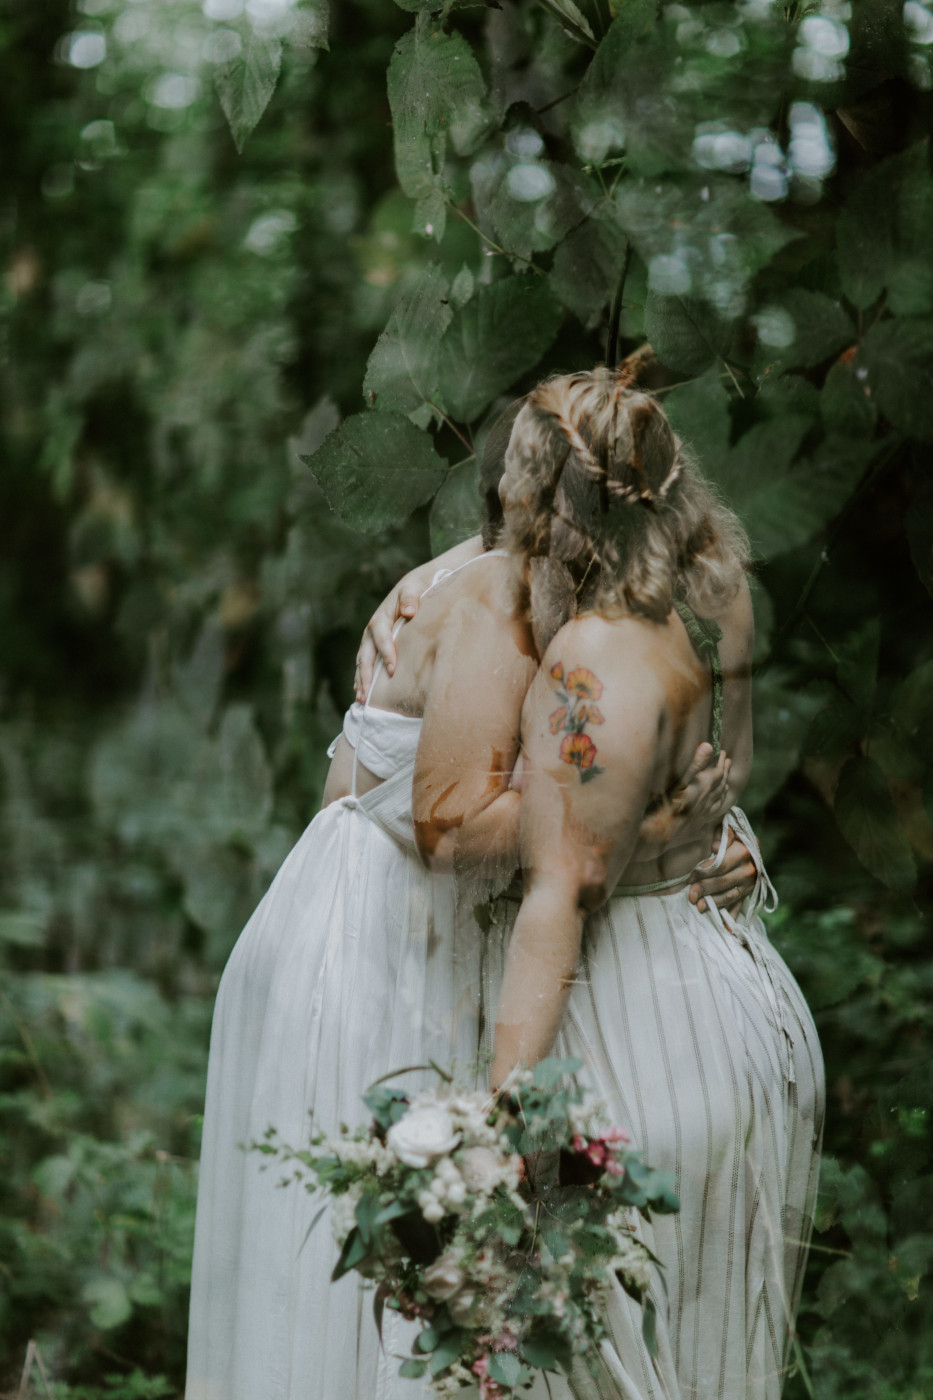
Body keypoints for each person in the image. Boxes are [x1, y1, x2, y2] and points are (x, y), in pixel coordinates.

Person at [184, 379, 757, 1400]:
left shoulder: (645, 610)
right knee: (343, 1289)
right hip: (371, 936)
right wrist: (659, 833)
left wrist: (712, 832)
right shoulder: (498, 602)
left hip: (451, 939)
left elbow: (666, 772)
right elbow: (454, 830)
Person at [476, 370, 823, 1399]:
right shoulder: (719, 591)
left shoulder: (591, 653)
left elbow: (564, 891)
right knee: (721, 1362)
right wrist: (704, 837)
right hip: (737, 1001)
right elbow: (728, 774)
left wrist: (490, 1130)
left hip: (632, 1026)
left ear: (546, 501)